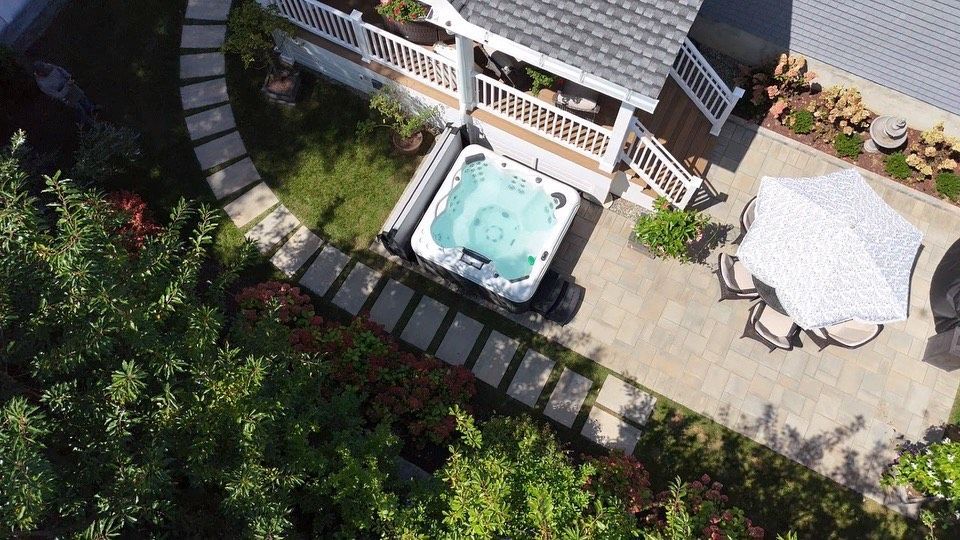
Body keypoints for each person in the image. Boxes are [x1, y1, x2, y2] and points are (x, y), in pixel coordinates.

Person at [33, 61, 97, 127]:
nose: (47, 68)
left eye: (45, 66)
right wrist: (67, 85)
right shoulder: (42, 84)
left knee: (82, 97)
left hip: (70, 85)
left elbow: (59, 69)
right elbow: (58, 95)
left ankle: (92, 109)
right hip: (66, 96)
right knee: (78, 109)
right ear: (40, 73)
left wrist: (68, 76)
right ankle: (90, 122)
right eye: (44, 69)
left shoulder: (48, 66)